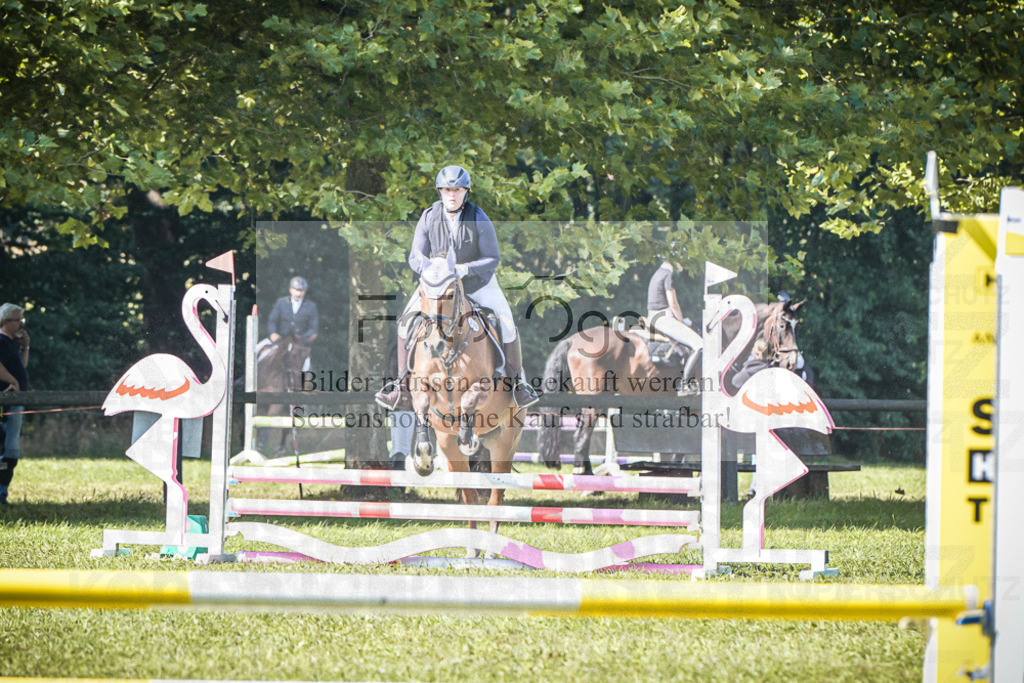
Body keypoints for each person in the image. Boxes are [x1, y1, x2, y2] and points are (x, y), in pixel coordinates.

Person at [375, 165, 539, 410]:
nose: (451, 195)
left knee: (505, 322)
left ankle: (518, 383)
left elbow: (492, 258)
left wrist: (466, 269)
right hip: (438, 284)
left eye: (457, 190)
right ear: (440, 191)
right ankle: (400, 386)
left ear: (465, 192)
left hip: (476, 282)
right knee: (404, 324)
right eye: (447, 190)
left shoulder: (478, 217)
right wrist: (431, 269)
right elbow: (415, 256)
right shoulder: (429, 216)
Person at [646, 259, 702, 385]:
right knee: (699, 344)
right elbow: (673, 303)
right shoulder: (667, 274)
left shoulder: (659, 272)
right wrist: (681, 321)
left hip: (656, 316)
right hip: (663, 319)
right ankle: (685, 384)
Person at [0, 303, 31, 505]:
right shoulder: (0, 341)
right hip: (6, 403)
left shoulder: (11, 342)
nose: (21, 323)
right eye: (17, 319)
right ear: (4, 322)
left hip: (16, 402)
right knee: (5, 448)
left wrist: (26, 346)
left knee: (11, 450)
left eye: (22, 319)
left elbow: (22, 366)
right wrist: (13, 381)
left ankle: (3, 493)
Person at [265, 276, 318, 372]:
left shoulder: (311, 306)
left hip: (300, 343)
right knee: (259, 350)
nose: (298, 293)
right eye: (296, 290)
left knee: (306, 367)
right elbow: (272, 320)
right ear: (290, 289)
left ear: (305, 292)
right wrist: (273, 333)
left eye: (301, 291)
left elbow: (313, 328)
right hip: (280, 340)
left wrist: (303, 338)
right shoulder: (281, 302)